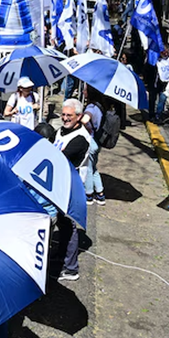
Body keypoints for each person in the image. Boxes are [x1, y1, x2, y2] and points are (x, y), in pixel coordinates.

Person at [54, 98, 91, 282]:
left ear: (79, 116)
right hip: (60, 183)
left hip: (72, 186)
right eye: (63, 114)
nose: (65, 118)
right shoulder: (62, 131)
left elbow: (60, 156)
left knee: (70, 224)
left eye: (70, 115)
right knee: (62, 222)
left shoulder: (81, 138)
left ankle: (71, 268)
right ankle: (61, 256)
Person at [81, 86, 106, 206]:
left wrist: (81, 119)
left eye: (85, 90)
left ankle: (89, 194)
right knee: (94, 167)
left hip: (90, 140)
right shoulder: (100, 106)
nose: (83, 92)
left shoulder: (91, 107)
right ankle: (100, 193)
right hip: (97, 140)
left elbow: (85, 120)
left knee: (88, 168)